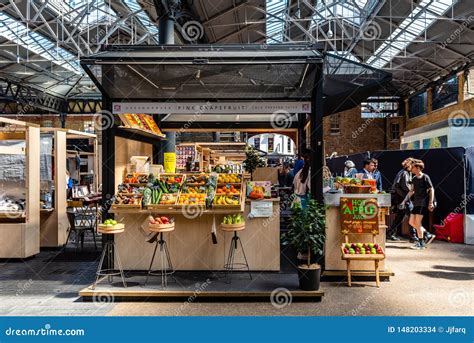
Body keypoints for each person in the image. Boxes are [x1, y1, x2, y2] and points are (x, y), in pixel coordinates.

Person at [408, 160, 436, 250]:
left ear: (418, 168)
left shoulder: (425, 177)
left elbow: (431, 189)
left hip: (422, 203)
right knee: (411, 222)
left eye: (413, 167)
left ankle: (421, 243)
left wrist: (430, 202)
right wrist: (404, 200)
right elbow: (412, 191)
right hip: (415, 203)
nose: (411, 169)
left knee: (417, 223)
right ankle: (427, 234)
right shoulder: (414, 178)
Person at [388, 157, 414, 241]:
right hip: (403, 198)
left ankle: (390, 233)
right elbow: (405, 186)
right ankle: (414, 236)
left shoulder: (402, 172)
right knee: (412, 215)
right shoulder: (405, 173)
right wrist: (413, 188)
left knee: (400, 216)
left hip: (400, 198)